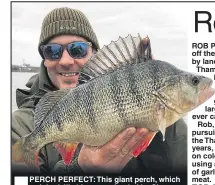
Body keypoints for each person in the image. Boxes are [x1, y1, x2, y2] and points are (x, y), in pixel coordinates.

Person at [12, 7, 187, 173]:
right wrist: (79, 171)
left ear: (95, 53)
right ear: (44, 59)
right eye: (52, 51)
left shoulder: (142, 99)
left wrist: (163, 123)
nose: (65, 61)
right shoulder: (19, 125)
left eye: (77, 49)